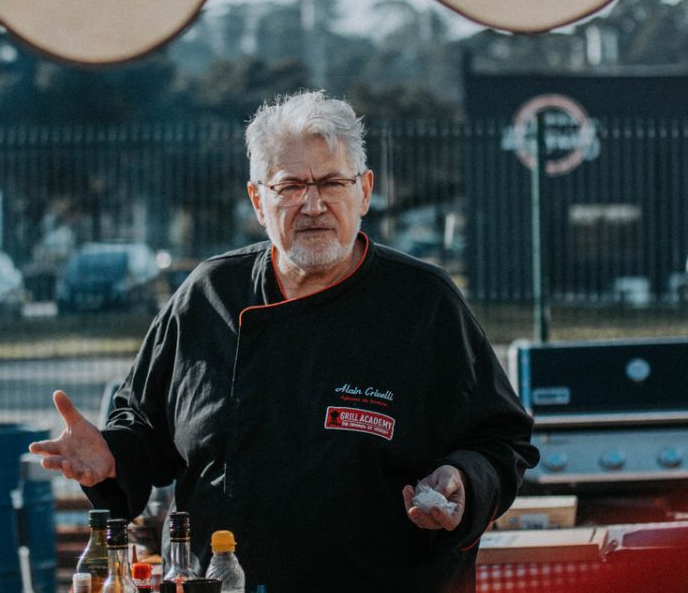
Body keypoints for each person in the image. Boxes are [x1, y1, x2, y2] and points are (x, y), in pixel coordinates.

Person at [30, 90, 538, 593]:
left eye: (332, 182)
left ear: (364, 191)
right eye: (290, 186)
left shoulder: (424, 302)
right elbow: (144, 428)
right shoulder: (208, 297)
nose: (313, 205)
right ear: (258, 200)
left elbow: (501, 439)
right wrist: (111, 456)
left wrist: (464, 479)